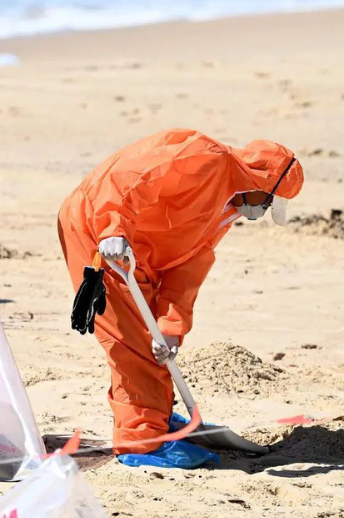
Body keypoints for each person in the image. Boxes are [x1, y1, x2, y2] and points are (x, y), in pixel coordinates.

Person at [58, 128, 303, 469]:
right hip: (98, 232)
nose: (262, 212)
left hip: (141, 252)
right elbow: (131, 179)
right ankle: (142, 440)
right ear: (259, 185)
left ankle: (156, 415)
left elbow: (187, 269)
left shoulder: (227, 209)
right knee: (132, 346)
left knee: (155, 345)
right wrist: (113, 228)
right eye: (267, 202)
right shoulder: (203, 156)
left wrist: (171, 327)